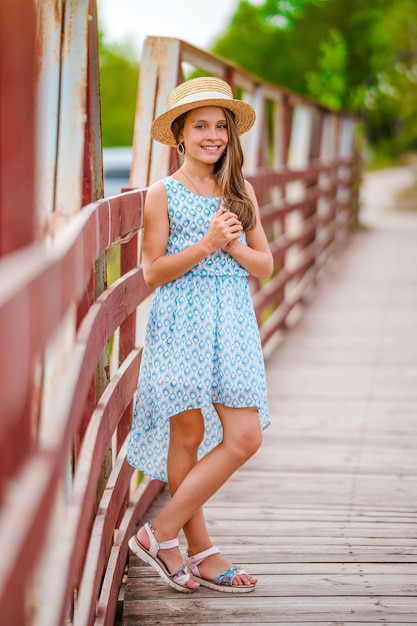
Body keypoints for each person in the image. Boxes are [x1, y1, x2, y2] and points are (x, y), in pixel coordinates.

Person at [127, 76, 273, 593]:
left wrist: (231, 247)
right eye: (201, 126)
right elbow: (152, 272)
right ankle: (201, 551)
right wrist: (210, 242)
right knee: (186, 434)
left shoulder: (240, 191)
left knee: (244, 437)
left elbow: (266, 265)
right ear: (181, 136)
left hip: (231, 320)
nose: (213, 135)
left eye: (221, 126)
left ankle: (160, 533)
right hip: (181, 319)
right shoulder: (161, 193)